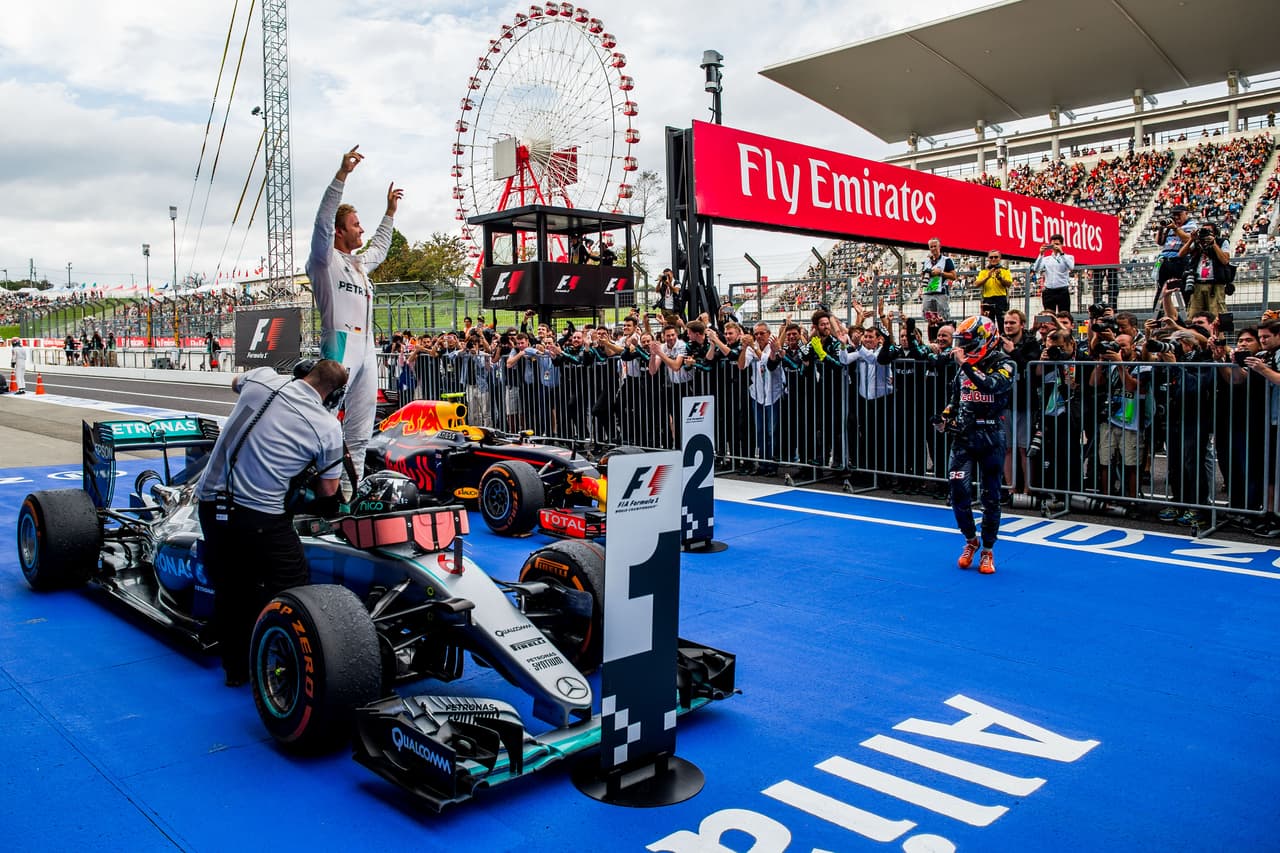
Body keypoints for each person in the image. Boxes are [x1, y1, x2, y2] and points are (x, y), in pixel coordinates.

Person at [195, 359, 348, 686]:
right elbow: (328, 491)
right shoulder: (328, 426)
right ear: (333, 396)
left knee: (230, 588)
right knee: (294, 585)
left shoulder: (263, 378)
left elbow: (235, 381)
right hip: (260, 517)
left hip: (210, 506)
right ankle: (287, 663)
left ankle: (235, 670)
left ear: (303, 372)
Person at [306, 145, 402, 483]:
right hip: (340, 344)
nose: (361, 230)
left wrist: (389, 213)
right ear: (339, 231)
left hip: (367, 349)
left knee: (360, 430)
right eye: (355, 224)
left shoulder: (360, 265)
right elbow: (322, 220)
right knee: (325, 421)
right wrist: (342, 176)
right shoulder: (323, 260)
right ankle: (316, 488)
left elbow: (380, 247)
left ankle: (350, 493)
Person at [936, 316, 1015, 575]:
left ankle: (988, 550)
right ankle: (970, 540)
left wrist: (967, 365)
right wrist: (946, 417)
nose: (964, 348)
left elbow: (991, 385)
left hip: (991, 435)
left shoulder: (1006, 363)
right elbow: (956, 399)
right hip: (964, 437)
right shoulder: (962, 367)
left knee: (991, 496)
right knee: (958, 490)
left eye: (968, 342)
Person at [1176, 220, 1233, 318]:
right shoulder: (1198, 243)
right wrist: (1191, 240)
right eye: (1203, 230)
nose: (1205, 233)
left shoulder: (1222, 242)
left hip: (1215, 285)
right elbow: (1181, 254)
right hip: (1197, 284)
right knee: (1194, 316)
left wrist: (1214, 244)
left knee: (1217, 316)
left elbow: (1225, 260)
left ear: (1215, 233)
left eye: (1208, 231)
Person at [1031, 234, 1075, 314]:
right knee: (1049, 316)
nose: (1055, 247)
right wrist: (1041, 254)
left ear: (1062, 245)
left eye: (1057, 244)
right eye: (1053, 245)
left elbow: (1071, 267)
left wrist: (1061, 253)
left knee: (1064, 315)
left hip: (1062, 290)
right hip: (1049, 291)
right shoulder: (1046, 259)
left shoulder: (1068, 257)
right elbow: (1036, 269)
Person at [919, 237, 957, 322]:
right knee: (929, 319)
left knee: (943, 319)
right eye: (931, 247)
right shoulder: (926, 261)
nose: (933, 249)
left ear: (939, 247)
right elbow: (922, 277)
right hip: (927, 292)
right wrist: (924, 274)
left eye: (935, 246)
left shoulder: (947, 260)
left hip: (941, 293)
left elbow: (954, 276)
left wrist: (940, 273)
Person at [975, 250, 1013, 330]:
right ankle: (990, 341)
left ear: (1000, 258)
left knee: (1002, 323)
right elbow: (976, 284)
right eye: (991, 257)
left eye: (996, 257)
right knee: (988, 325)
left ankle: (1003, 340)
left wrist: (1000, 278)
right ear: (988, 259)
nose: (993, 259)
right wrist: (987, 277)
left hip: (1001, 299)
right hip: (988, 300)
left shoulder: (1005, 270)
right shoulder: (983, 271)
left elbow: (1009, 284)